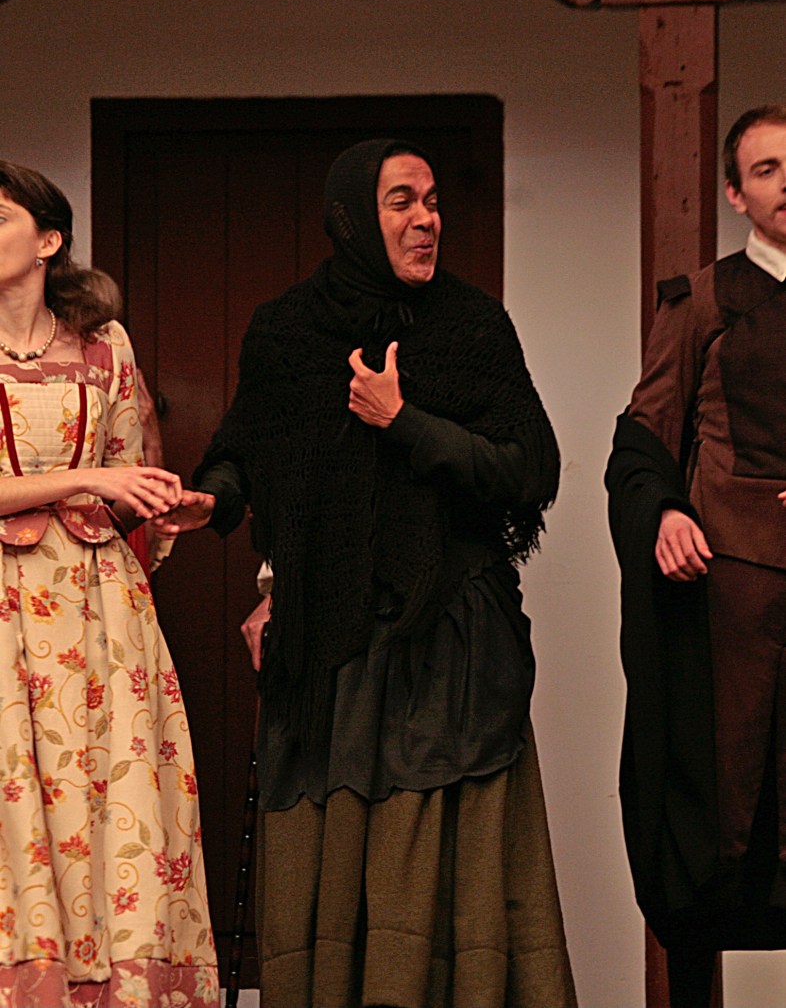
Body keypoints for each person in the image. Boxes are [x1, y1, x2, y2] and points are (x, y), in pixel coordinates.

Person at [156, 138, 575, 1008]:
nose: (427, 220)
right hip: (329, 650)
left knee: (440, 871)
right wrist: (213, 500)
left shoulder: (471, 326)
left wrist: (403, 420)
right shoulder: (286, 331)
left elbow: (530, 468)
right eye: (402, 202)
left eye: (434, 201)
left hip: (450, 646)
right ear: (352, 216)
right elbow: (248, 448)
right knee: (333, 867)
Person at [0, 160, 219, 1007]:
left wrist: (159, 505)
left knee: (107, 799)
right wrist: (89, 478)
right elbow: (97, 476)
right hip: (8, 610)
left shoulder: (105, 345)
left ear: (48, 240)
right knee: (18, 802)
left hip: (99, 611)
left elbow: (129, 469)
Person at [606, 105, 786, 1007]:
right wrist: (666, 513)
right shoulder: (702, 301)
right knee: (722, 809)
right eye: (767, 169)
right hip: (730, 601)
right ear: (735, 193)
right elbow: (642, 442)